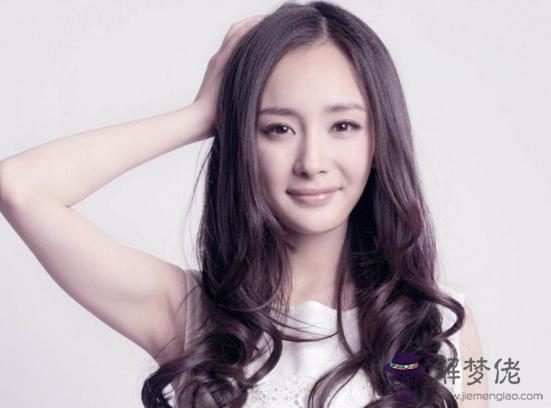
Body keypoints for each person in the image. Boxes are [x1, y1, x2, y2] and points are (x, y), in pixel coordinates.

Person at [0, 1, 488, 407]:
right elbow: (20, 186)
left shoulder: (438, 327)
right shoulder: (191, 315)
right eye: (279, 128)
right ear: (243, 141)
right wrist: (201, 115)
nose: (312, 162)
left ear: (380, 137)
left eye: (343, 126)